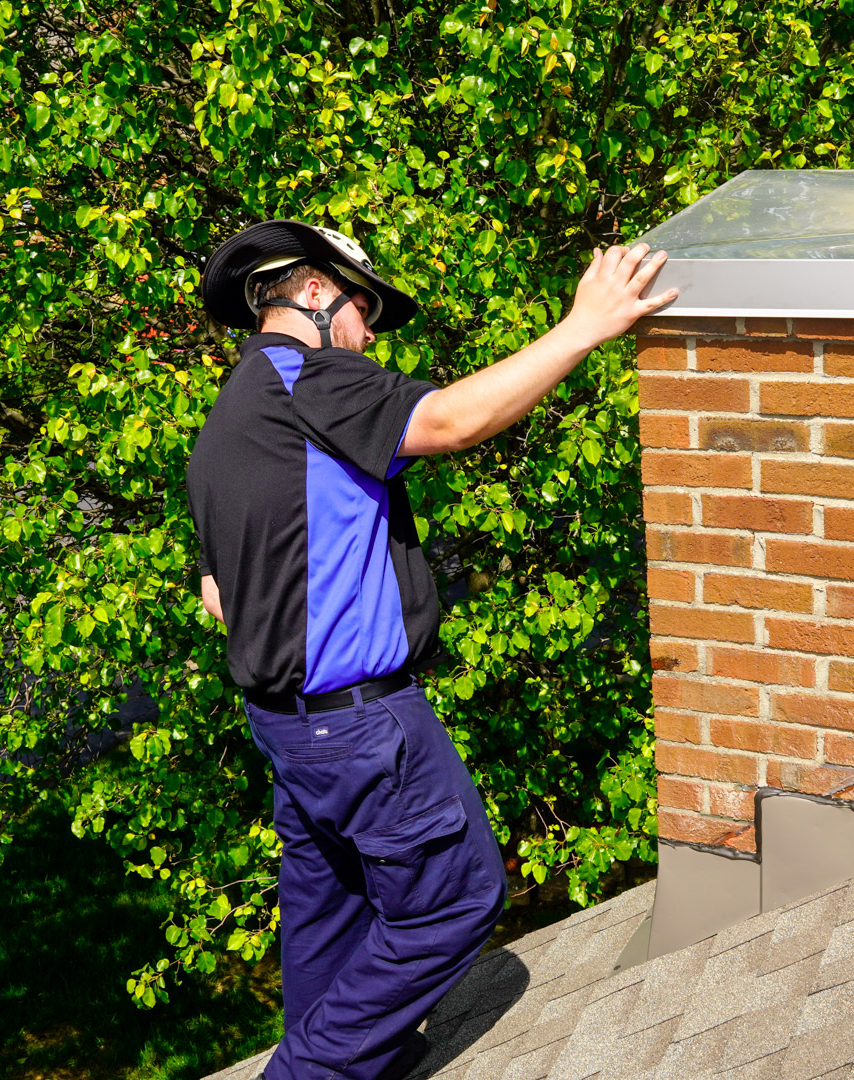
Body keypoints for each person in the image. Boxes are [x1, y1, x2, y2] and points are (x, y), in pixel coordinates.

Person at [187, 219, 677, 1080]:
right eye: (364, 307)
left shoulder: (233, 414)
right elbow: (448, 420)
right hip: (361, 729)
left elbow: (218, 595)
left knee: (330, 925)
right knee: (455, 901)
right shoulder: (311, 376)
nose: (370, 333)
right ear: (311, 290)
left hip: (288, 733)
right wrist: (585, 327)